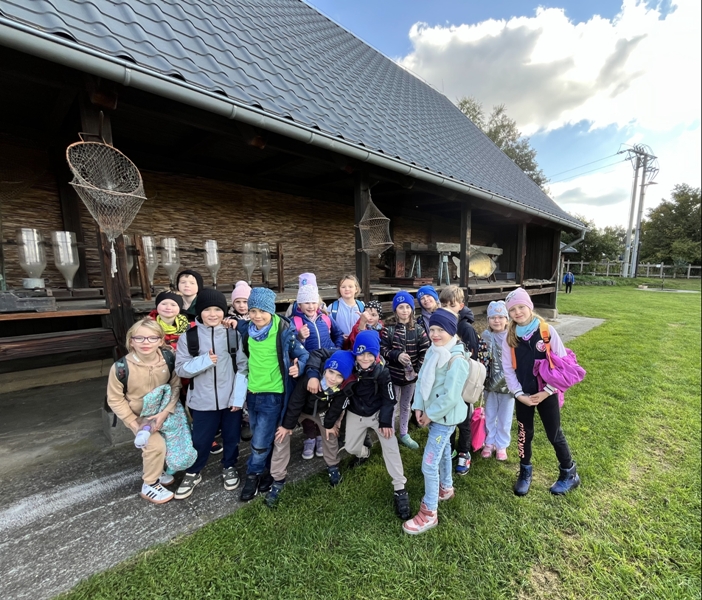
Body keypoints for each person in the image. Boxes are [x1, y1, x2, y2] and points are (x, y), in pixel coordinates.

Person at [502, 288, 581, 496]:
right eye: (512, 310)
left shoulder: (546, 331)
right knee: (524, 433)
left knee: (554, 433)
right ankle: (524, 471)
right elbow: (508, 369)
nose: (518, 312)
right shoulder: (509, 337)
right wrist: (519, 395)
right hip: (523, 395)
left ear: (530, 306)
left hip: (548, 393)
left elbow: (562, 365)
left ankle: (569, 473)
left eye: (521, 307)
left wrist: (547, 391)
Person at [235, 287, 309, 502]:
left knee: (259, 441)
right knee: (260, 435)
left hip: (273, 394)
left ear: (271, 311)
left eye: (262, 311)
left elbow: (303, 354)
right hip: (252, 393)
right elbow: (238, 328)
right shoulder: (247, 330)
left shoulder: (283, 331)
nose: (257, 316)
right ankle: (266, 470)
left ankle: (253, 475)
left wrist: (299, 367)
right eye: (253, 311)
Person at [174, 289, 246, 500]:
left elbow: (243, 367)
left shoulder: (233, 334)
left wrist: (238, 398)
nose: (213, 314)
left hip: (230, 400)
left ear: (224, 311)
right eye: (207, 310)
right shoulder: (189, 337)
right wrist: (204, 361)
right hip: (201, 400)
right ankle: (194, 471)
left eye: (217, 309)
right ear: (199, 311)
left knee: (231, 437)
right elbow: (180, 369)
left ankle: (229, 466)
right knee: (201, 439)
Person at [332, 330, 411, 520]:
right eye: (361, 353)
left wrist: (385, 421)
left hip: (377, 414)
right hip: (356, 412)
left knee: (390, 447)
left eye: (370, 354)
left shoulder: (382, 371)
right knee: (350, 447)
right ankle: (364, 452)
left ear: (376, 354)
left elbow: (389, 398)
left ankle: (399, 488)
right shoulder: (349, 367)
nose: (365, 358)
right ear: (355, 352)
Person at [403, 308, 469, 534]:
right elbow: (423, 378)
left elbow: (450, 397)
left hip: (444, 418)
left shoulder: (457, 360)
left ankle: (429, 512)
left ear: (451, 330)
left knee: (429, 464)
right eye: (432, 329)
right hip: (433, 413)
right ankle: (446, 488)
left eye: (440, 329)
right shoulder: (435, 350)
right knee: (444, 450)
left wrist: (430, 413)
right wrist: (418, 406)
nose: (435, 334)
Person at [106, 318, 183, 504]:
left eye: (152, 338)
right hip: (138, 416)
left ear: (161, 340)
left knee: (168, 441)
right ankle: (150, 484)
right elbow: (114, 398)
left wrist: (166, 412)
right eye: (139, 338)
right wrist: (134, 424)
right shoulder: (120, 368)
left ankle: (157, 469)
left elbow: (175, 385)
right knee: (154, 446)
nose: (145, 342)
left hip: (163, 409)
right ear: (131, 341)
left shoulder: (168, 359)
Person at [265, 350, 355, 507]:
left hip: (322, 411)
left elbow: (336, 407)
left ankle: (333, 466)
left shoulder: (343, 388)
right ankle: (278, 479)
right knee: (281, 435)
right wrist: (287, 426)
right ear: (325, 369)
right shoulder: (311, 377)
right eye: (331, 372)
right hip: (300, 409)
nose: (332, 378)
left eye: (339, 376)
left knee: (330, 434)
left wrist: (329, 424)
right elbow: (296, 401)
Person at [292, 272, 344, 459]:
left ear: (318, 303)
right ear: (299, 304)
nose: (310, 306)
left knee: (324, 401)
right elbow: (290, 344)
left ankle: (322, 435)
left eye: (313, 302)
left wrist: (336, 349)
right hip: (309, 367)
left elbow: (338, 334)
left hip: (328, 367)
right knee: (308, 401)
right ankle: (310, 436)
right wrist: (300, 337)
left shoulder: (326, 318)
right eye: (306, 302)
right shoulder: (296, 321)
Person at [380, 291, 429, 450]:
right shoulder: (388, 330)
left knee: (406, 405)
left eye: (408, 307)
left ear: (412, 309)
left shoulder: (419, 330)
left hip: (411, 378)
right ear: (395, 309)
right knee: (392, 405)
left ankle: (404, 433)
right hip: (393, 376)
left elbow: (425, 351)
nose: (405, 310)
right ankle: (391, 434)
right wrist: (397, 355)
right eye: (401, 307)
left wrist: (417, 369)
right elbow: (382, 349)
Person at [440, 285, 480, 475]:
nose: (448, 308)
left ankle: (464, 451)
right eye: (444, 305)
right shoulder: (441, 325)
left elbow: (472, 357)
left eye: (452, 305)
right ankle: (450, 448)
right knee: (448, 417)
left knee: (463, 419)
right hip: (446, 380)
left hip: (462, 383)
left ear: (460, 306)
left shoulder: (465, 328)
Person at [480, 301, 513, 461]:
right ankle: (489, 441)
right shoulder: (486, 336)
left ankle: (502, 444)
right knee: (490, 412)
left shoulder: (513, 336)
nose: (497, 320)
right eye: (493, 317)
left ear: (507, 319)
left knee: (505, 415)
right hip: (490, 382)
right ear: (488, 320)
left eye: (500, 317)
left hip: (509, 384)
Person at [226, 280, 253, 441]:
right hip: (235, 359)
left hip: (254, 358)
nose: (242, 305)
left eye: (245, 301)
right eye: (238, 302)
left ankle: (251, 418)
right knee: (239, 387)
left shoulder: (256, 317)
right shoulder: (228, 320)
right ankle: (243, 420)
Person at [328, 274, 365, 348]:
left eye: (350, 286)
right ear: (339, 289)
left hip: (358, 344)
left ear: (356, 289)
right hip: (340, 346)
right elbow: (327, 329)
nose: (347, 289)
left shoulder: (362, 306)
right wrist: (339, 337)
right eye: (343, 287)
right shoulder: (332, 308)